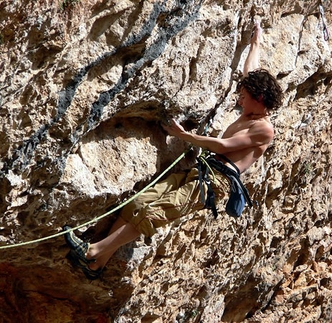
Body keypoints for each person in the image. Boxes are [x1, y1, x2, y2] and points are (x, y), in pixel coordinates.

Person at [63, 21, 284, 280]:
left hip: (216, 182)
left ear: (259, 99)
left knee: (152, 213)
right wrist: (255, 41)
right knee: (140, 202)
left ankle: (91, 251)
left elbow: (224, 146)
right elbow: (251, 71)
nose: (239, 99)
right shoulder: (252, 106)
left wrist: (184, 136)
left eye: (244, 96)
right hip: (202, 172)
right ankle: (97, 265)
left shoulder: (263, 129)